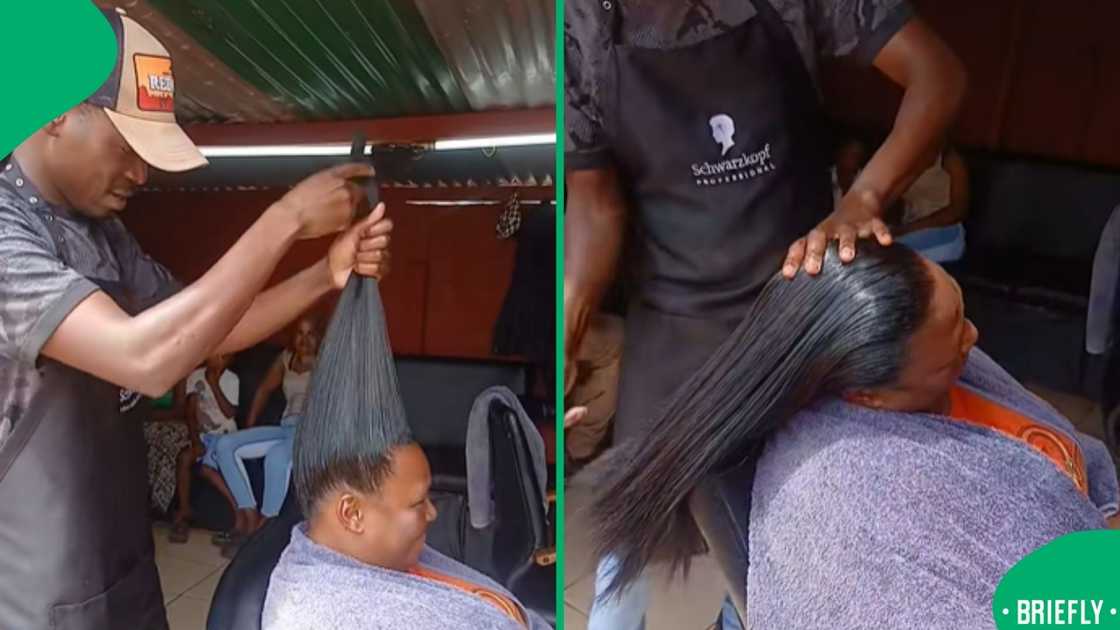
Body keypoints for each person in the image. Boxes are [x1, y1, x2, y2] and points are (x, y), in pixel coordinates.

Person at [564, 0, 966, 627]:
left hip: (795, 311)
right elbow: (595, 206)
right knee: (631, 530)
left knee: (784, 522)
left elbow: (939, 75)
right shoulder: (580, 29)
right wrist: (569, 321)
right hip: (674, 318)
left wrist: (864, 196)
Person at [0, 9, 391, 629]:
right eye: (128, 146)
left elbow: (208, 332)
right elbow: (144, 359)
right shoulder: (6, 233)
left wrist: (324, 273)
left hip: (122, 568)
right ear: (58, 111)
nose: (140, 173)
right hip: (33, 595)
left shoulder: (103, 233)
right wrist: (285, 220)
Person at [583, 242, 1119, 628]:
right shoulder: (845, 502)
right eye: (954, 340)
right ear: (869, 396)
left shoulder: (945, 360)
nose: (973, 338)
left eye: (961, 313)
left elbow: (1077, 458)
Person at [212, 316, 320, 548]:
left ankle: (264, 530)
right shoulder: (285, 359)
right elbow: (263, 390)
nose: (304, 340)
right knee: (225, 445)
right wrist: (250, 426)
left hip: (310, 432)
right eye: (300, 333)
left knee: (277, 456)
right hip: (285, 427)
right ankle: (249, 514)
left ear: (319, 337)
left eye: (310, 334)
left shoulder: (327, 362)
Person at [834, 136, 970, 263]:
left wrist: (907, 229)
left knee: (882, 258)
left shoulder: (950, 159)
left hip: (945, 231)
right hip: (907, 229)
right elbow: (893, 202)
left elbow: (957, 211)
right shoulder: (908, 159)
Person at [169, 354, 241, 544]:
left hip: (224, 436)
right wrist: (195, 440)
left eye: (223, 357)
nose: (217, 360)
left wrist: (213, 384)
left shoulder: (231, 379)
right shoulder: (196, 376)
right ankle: (184, 511)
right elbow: (191, 412)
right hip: (203, 436)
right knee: (184, 458)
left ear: (230, 360)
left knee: (206, 469)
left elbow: (229, 412)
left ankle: (239, 511)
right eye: (214, 355)